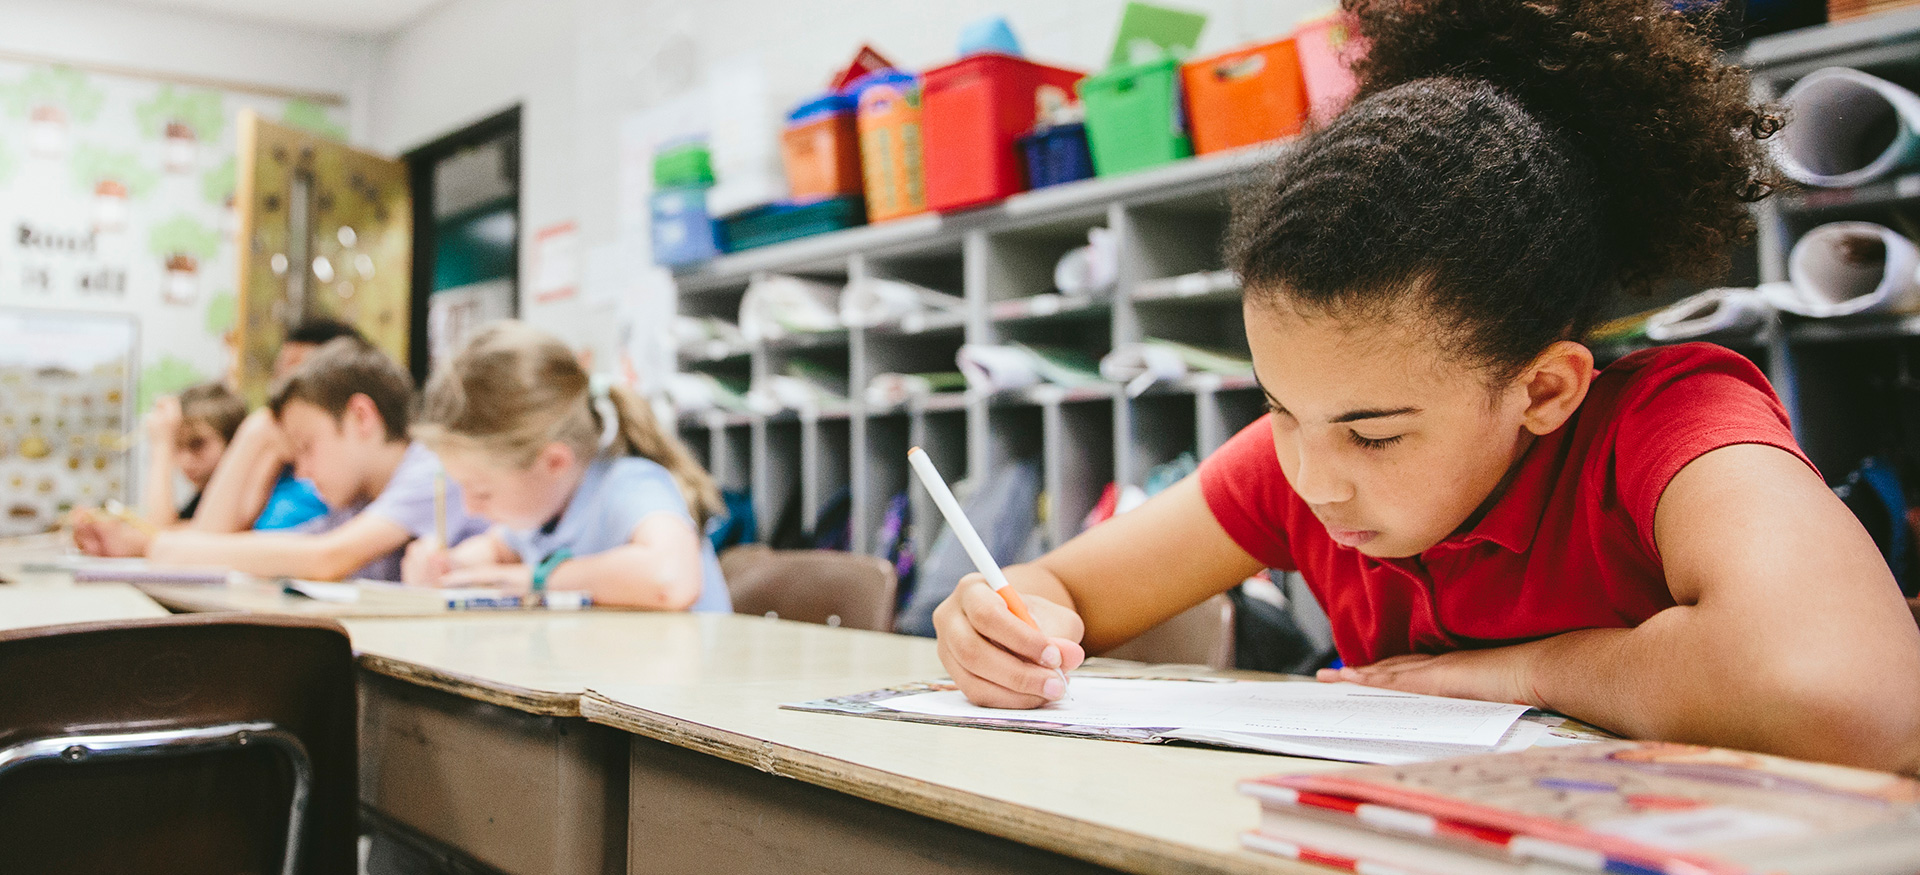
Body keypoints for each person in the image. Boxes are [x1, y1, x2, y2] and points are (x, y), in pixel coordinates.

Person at [932, 0, 1920, 773]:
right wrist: (1003, 622)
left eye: (1375, 434)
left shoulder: (1677, 420)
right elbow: (1056, 588)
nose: (1316, 480)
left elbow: (1854, 698)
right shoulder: (1307, 461)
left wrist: (1524, 673)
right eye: (1277, 406)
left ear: (1543, 391)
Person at [77, 338, 488, 580]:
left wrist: (158, 546)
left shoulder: (431, 470)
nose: (303, 470)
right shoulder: (359, 499)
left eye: (306, 446)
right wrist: (144, 545)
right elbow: (273, 545)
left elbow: (326, 557)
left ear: (362, 417)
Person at [401, 321, 730, 612]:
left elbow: (670, 579)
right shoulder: (545, 507)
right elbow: (498, 547)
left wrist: (536, 578)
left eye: (482, 492)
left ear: (554, 462)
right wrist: (452, 566)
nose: (471, 509)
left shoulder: (630, 484)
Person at [189, 317, 368, 533]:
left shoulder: (332, 478)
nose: (282, 386)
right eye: (279, 373)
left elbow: (206, 543)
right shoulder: (282, 459)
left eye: (298, 372)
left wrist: (254, 433)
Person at [139, 382, 246, 525]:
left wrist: (161, 446)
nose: (185, 460)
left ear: (233, 440)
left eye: (197, 444)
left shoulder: (243, 501)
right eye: (177, 445)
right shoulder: (202, 499)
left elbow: (156, 532)